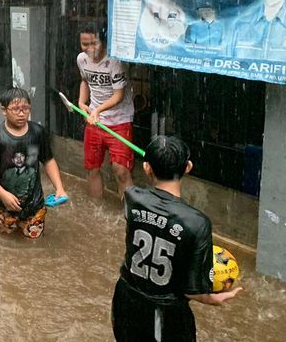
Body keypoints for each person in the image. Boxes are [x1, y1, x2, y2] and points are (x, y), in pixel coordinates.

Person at [112, 135, 242, 341]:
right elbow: (193, 291)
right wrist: (212, 299)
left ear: (147, 168)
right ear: (188, 167)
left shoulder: (132, 197)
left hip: (125, 299)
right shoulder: (197, 223)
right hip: (164, 312)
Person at [0, 88, 68, 239]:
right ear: (4, 110)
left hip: (34, 205)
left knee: (35, 244)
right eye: (16, 109)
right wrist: (3, 194)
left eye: (25, 108)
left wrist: (59, 188)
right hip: (2, 205)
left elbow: (48, 160)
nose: (21, 113)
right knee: (5, 243)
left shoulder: (38, 133)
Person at [77, 21, 135, 199]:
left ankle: (129, 216)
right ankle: (97, 213)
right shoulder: (81, 59)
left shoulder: (114, 61)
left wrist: (97, 110)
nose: (89, 48)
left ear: (104, 42)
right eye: (84, 44)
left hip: (119, 121)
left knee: (121, 170)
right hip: (95, 122)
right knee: (92, 168)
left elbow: (118, 95)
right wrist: (81, 102)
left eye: (94, 43)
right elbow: (85, 81)